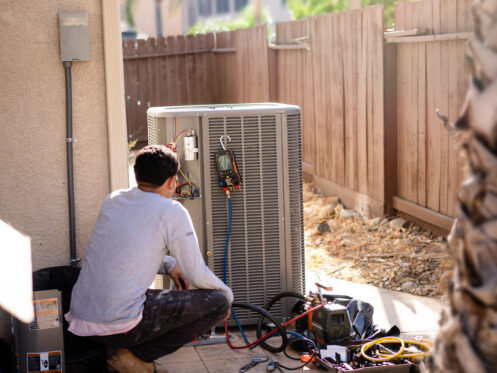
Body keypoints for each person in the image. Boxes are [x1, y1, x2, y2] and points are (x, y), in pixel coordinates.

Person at [66, 145, 233, 373]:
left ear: (137, 175)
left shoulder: (113, 200)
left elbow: (125, 248)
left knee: (145, 297)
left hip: (81, 317)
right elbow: (196, 273)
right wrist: (227, 294)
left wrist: (170, 264)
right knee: (218, 303)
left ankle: (117, 350)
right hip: (120, 325)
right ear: (172, 181)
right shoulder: (172, 210)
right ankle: (134, 356)